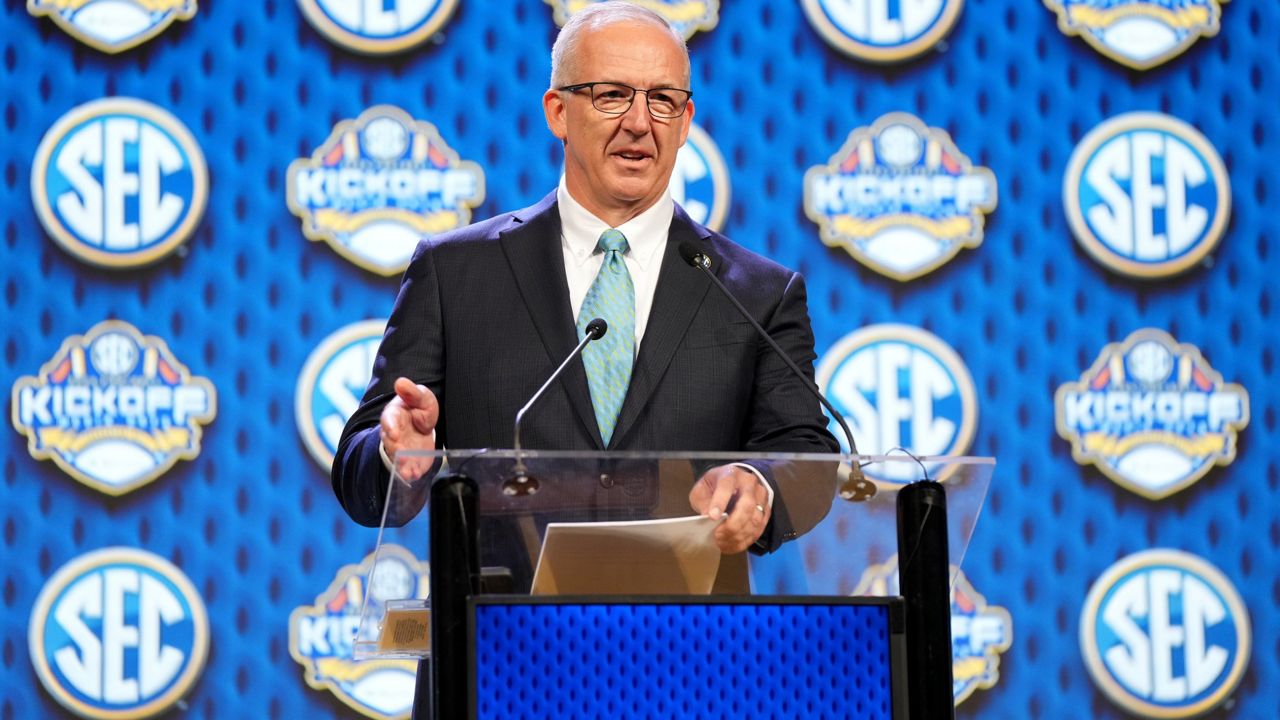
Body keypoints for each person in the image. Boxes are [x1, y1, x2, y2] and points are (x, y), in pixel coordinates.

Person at [331, 1, 838, 567]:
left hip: (688, 643)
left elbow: (806, 455)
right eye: (612, 94)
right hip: (499, 640)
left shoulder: (756, 293)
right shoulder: (455, 272)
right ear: (558, 112)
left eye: (663, 100)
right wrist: (397, 455)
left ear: (686, 121)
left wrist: (757, 481)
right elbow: (358, 473)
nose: (640, 123)